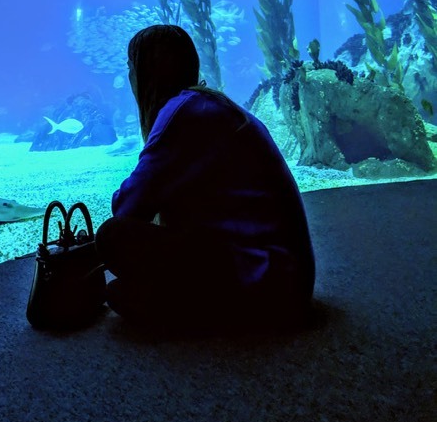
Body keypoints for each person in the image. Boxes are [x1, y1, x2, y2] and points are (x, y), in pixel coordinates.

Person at [95, 24, 315, 332]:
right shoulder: (207, 104)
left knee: (111, 238)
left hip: (269, 283)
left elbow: (129, 209)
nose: (130, 77)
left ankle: (215, 314)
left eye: (131, 67)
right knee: (120, 291)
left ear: (148, 71)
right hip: (289, 277)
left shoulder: (181, 112)